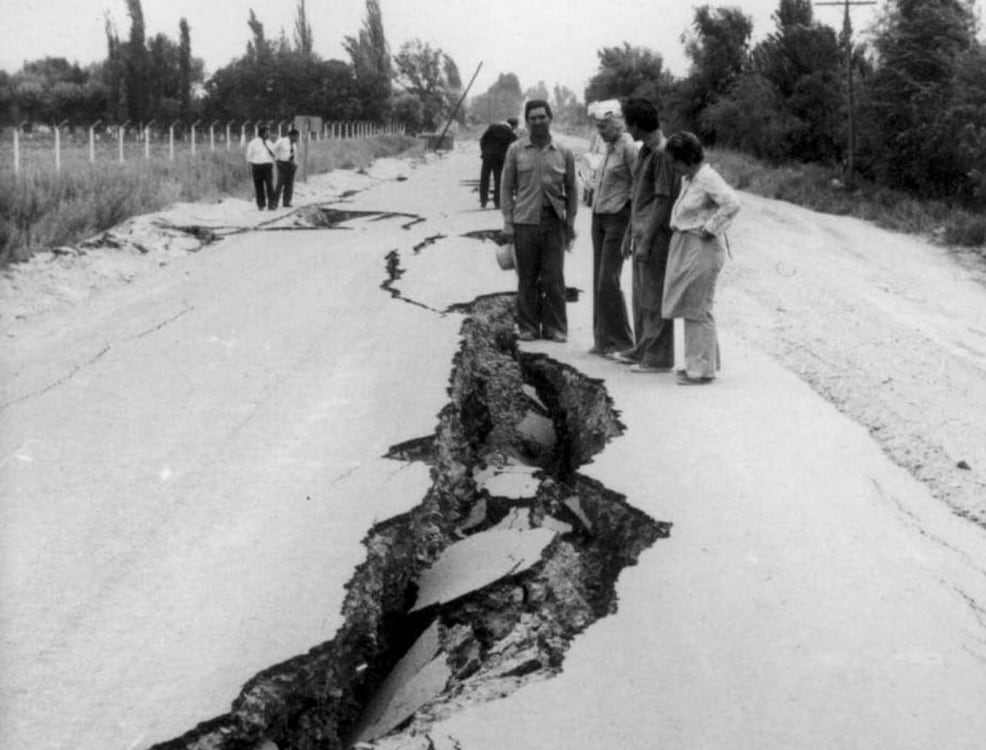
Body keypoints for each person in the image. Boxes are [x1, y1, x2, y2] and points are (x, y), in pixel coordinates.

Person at [663, 131, 741, 385]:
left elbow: (732, 203)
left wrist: (711, 227)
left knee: (699, 307)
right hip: (690, 245)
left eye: (675, 161)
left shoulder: (707, 177)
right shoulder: (691, 178)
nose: (674, 167)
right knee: (691, 304)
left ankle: (702, 370)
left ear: (686, 158)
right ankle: (696, 364)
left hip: (703, 246)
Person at [612, 98, 681, 373]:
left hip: (656, 236)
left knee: (654, 297)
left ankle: (659, 357)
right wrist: (630, 232)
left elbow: (663, 202)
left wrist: (648, 239)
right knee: (641, 297)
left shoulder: (663, 154)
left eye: (630, 123)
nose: (628, 129)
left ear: (638, 125)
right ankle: (643, 348)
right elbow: (639, 197)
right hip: (641, 232)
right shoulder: (644, 153)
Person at [501, 100, 578, 342]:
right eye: (532, 118)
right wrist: (508, 222)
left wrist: (570, 223)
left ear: (550, 118)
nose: (537, 121)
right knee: (527, 276)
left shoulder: (563, 152)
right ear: (527, 121)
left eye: (542, 117)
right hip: (525, 222)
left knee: (554, 277)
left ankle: (556, 328)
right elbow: (505, 188)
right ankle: (528, 327)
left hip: (554, 222)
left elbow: (573, 190)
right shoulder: (515, 150)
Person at [587, 100, 637, 356]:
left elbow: (637, 186)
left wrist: (631, 223)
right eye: (598, 126)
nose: (600, 131)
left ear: (617, 123)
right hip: (599, 216)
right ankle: (602, 340)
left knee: (609, 280)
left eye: (604, 126)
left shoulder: (629, 148)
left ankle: (623, 341)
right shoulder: (607, 147)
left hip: (618, 217)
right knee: (599, 279)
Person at [478, 117, 518, 209]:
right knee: (498, 180)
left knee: (484, 178)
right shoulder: (510, 132)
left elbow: (482, 140)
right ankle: (497, 202)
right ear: (514, 126)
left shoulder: (492, 127)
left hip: (487, 156)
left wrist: (484, 151)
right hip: (499, 159)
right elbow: (514, 148)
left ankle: (483, 201)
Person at [246, 126, 276, 211]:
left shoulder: (270, 143)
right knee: (258, 185)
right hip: (257, 166)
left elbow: (274, 154)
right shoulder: (253, 143)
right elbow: (248, 155)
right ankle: (261, 204)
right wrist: (252, 164)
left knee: (269, 185)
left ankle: (272, 204)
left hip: (268, 166)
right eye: (267, 133)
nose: (269, 134)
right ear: (262, 133)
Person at [272, 128, 300, 208]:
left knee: (289, 184)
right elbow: (274, 149)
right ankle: (274, 202)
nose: (297, 139)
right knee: (280, 183)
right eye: (296, 137)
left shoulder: (294, 145)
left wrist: (295, 164)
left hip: (291, 165)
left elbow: (294, 156)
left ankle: (286, 202)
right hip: (282, 163)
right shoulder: (282, 141)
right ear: (292, 136)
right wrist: (277, 159)